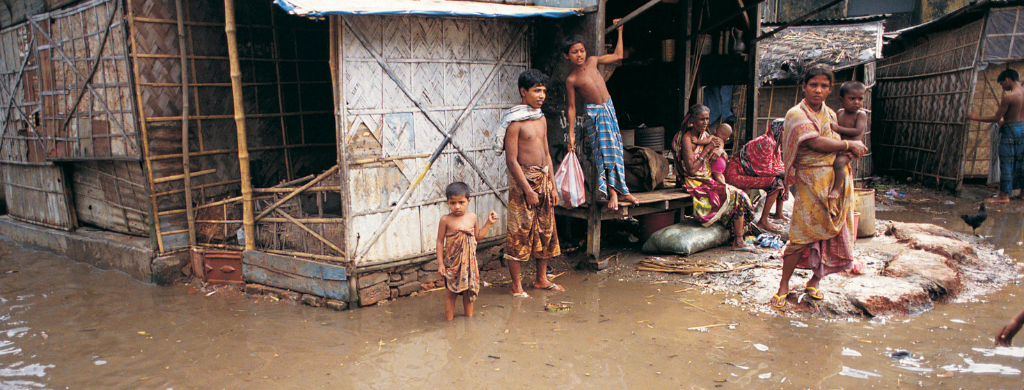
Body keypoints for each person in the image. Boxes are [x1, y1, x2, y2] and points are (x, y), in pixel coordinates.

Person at [770, 64, 868, 309]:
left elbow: (840, 139)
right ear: (804, 87)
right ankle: (784, 284)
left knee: (833, 234)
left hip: (836, 179)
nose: (818, 90)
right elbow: (815, 142)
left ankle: (815, 281)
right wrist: (848, 147)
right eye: (813, 85)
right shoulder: (796, 114)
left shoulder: (832, 114)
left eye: (824, 86)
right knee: (801, 235)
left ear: (830, 89)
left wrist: (848, 152)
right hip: (809, 182)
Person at [563, 20, 640, 211]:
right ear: (567, 56)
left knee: (617, 149)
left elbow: (618, 55)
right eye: (574, 52)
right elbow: (572, 108)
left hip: (609, 108)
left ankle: (623, 190)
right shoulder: (572, 79)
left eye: (581, 50)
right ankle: (612, 193)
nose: (579, 54)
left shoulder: (593, 61)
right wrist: (571, 134)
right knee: (605, 152)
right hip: (596, 114)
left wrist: (620, 31)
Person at [503, 69, 564, 298]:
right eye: (536, 90)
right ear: (523, 92)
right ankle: (516, 286)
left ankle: (541, 279)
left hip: (544, 179)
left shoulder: (541, 118)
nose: (541, 95)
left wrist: (553, 185)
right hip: (523, 183)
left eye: (543, 91)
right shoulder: (515, 123)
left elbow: (547, 153)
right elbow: (511, 161)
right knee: (519, 233)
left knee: (546, 230)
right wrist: (528, 190)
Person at [672, 104, 755, 250]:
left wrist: (719, 150)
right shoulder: (687, 139)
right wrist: (707, 151)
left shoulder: (705, 136)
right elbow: (691, 170)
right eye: (701, 119)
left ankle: (737, 238)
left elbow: (718, 142)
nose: (705, 122)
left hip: (708, 179)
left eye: (707, 119)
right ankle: (738, 241)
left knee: (739, 194)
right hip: (695, 183)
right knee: (738, 196)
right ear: (692, 120)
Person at [436, 182, 498, 321]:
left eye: (461, 202)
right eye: (452, 203)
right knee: (451, 293)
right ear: (448, 202)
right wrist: (440, 264)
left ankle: (468, 321)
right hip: (453, 263)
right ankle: (449, 323)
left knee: (468, 292)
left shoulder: (472, 217)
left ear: (468, 201)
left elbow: (478, 236)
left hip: (469, 263)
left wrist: (489, 223)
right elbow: (440, 242)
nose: (457, 206)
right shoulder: (445, 220)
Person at [968, 68, 1024, 203]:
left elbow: (996, 118)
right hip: (1022, 129)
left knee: (1007, 163)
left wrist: (976, 117)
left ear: (1007, 79)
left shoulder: (1009, 97)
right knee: (1022, 162)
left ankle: (1003, 196)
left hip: (1010, 132)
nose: (1003, 87)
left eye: (1001, 84)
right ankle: (1022, 194)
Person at [724, 119, 788, 232]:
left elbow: (778, 166)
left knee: (783, 178)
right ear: (779, 130)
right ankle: (763, 221)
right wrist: (784, 172)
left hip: (745, 172)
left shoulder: (775, 143)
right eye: (786, 132)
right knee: (776, 182)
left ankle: (778, 214)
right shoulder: (767, 142)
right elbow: (764, 169)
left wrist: (786, 173)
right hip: (735, 173)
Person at [827, 81, 868, 200]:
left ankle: (836, 189)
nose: (856, 102)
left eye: (860, 99)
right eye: (852, 98)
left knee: (839, 163)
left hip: (851, 148)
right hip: (839, 145)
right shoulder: (839, 112)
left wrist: (838, 128)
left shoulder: (861, 114)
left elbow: (857, 131)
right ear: (841, 99)